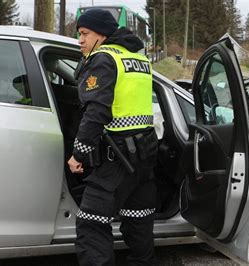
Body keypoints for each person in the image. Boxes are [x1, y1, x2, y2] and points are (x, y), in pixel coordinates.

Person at [67, 8, 158, 266]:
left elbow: (96, 112)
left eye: (85, 33)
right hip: (144, 156)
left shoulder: (104, 58)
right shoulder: (137, 59)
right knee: (138, 223)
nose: (80, 40)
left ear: (102, 34)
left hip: (116, 158)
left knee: (91, 226)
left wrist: (78, 154)